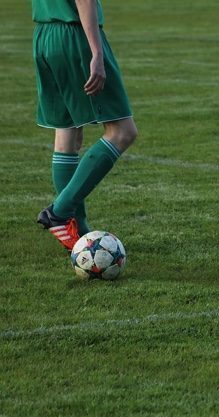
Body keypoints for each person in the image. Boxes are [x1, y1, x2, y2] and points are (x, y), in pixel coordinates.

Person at [32, 0, 137, 250]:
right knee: (123, 132)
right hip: (75, 36)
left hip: (44, 35)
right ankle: (59, 212)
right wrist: (97, 53)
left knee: (67, 132)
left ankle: (77, 232)